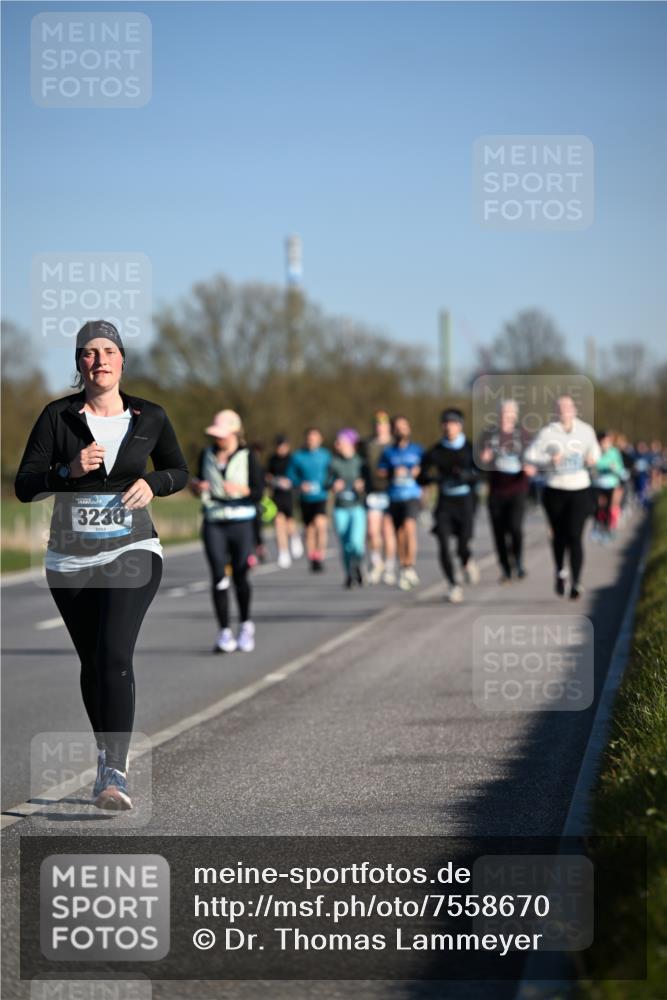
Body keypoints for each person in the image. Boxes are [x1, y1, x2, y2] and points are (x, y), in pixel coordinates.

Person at [15, 320, 189, 811]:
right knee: (93, 662)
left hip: (131, 549)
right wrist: (66, 471)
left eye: (108, 350)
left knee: (114, 652)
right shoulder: (58, 417)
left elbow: (180, 469)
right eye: (89, 353)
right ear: (79, 363)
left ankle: (114, 770)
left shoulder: (149, 416)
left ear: (122, 359)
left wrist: (156, 484)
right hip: (69, 557)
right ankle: (105, 755)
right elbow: (25, 484)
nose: (99, 360)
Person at [190, 410, 264, 654]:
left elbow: (258, 492)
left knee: (241, 575)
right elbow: (198, 484)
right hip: (214, 521)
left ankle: (245, 625)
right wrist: (196, 486)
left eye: (222, 435)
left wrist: (241, 490)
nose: (218, 439)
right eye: (215, 435)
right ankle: (224, 632)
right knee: (218, 576)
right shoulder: (207, 454)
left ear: (234, 433)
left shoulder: (248, 456)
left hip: (241, 522)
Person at [524, 395, 600, 600]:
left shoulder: (585, 430)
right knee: (559, 535)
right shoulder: (547, 433)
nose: (565, 410)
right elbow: (530, 455)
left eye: (568, 406)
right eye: (560, 407)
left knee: (575, 535)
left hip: (580, 488)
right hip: (555, 489)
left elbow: (596, 451)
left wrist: (592, 457)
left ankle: (576, 582)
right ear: (555, 411)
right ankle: (560, 571)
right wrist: (549, 459)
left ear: (574, 409)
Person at [419, 408, 480, 603]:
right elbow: (421, 476)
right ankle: (453, 585)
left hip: (465, 501)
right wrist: (433, 477)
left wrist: (467, 476)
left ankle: (466, 560)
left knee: (462, 545)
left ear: (460, 425)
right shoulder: (436, 451)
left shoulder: (470, 448)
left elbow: (483, 473)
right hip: (445, 503)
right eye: (445, 423)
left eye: (452, 423)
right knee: (443, 546)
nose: (448, 427)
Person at [479, 399, 531, 582]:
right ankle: (505, 568)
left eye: (509, 413)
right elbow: (479, 462)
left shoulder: (523, 435)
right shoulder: (489, 434)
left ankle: (518, 562)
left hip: (517, 488)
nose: (505, 416)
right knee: (499, 532)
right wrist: (483, 460)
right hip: (496, 490)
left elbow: (533, 458)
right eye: (503, 412)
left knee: (515, 528)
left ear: (515, 415)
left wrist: (530, 467)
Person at [377, 416, 423, 590]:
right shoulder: (388, 452)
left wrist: (417, 471)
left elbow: (426, 470)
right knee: (399, 534)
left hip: (411, 495)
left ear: (409, 429)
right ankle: (404, 565)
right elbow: (380, 471)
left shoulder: (417, 450)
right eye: (397, 428)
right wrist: (391, 471)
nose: (400, 430)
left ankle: (410, 565)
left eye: (403, 427)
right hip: (394, 496)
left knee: (409, 528)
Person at [327, 429, 370, 588]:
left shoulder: (361, 462)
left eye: (341, 442)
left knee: (356, 543)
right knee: (345, 545)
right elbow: (326, 482)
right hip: (340, 509)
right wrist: (333, 485)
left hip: (357, 507)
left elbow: (371, 482)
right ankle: (348, 574)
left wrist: (363, 486)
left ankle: (358, 565)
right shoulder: (333, 463)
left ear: (351, 444)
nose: (337, 445)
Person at [359, 411, 397, 585]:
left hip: (390, 491)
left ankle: (389, 566)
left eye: (383, 424)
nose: (379, 427)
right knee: (372, 531)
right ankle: (376, 562)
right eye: (377, 424)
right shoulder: (367, 444)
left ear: (388, 426)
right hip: (373, 492)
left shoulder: (394, 444)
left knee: (388, 531)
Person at [287, 427, 331, 572]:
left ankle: (320, 555)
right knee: (310, 529)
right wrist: (300, 484)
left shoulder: (326, 455)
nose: (312, 441)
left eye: (314, 438)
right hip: (305, 497)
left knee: (320, 524)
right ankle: (312, 557)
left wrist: (329, 484)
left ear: (320, 439)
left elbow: (333, 473)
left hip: (321, 496)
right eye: (309, 438)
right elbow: (291, 476)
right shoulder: (298, 456)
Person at [265, 434, 303, 568]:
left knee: (289, 522)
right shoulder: (272, 460)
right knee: (278, 522)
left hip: (290, 495)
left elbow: (299, 476)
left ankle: (294, 537)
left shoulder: (293, 459)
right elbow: (267, 476)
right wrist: (274, 481)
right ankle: (283, 552)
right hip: (277, 495)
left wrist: (290, 482)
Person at [591, 431, 625, 541]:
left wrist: (615, 468)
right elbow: (594, 465)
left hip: (611, 483)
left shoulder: (614, 452)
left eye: (608, 441)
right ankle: (599, 526)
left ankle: (607, 528)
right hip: (598, 484)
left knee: (610, 507)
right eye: (604, 441)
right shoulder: (595, 452)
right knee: (599, 507)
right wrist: (604, 466)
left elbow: (620, 468)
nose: (606, 443)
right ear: (600, 441)